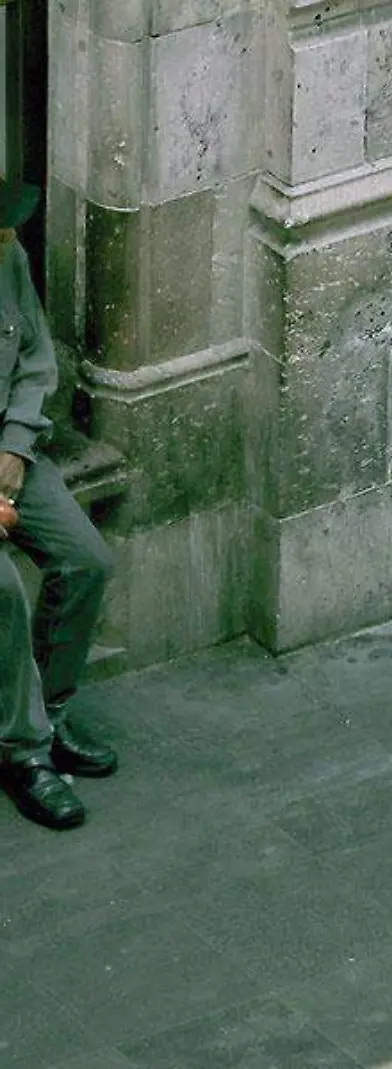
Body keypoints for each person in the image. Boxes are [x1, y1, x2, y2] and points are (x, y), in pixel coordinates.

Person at [0, 178, 117, 831]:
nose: (7, 237)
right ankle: (22, 750)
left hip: (9, 448)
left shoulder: (7, 256)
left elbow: (35, 360)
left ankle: (52, 712)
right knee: (3, 591)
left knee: (86, 558)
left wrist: (16, 445)